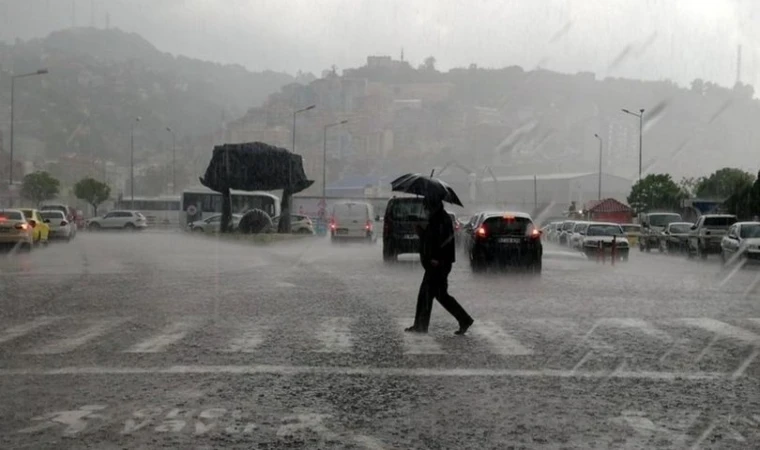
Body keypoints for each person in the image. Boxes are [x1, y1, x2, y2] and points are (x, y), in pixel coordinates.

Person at [405, 196, 474, 335]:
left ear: (433, 205)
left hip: (438, 264)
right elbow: (432, 239)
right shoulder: (437, 218)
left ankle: (421, 325)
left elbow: (442, 242)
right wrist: (421, 232)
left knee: (428, 294)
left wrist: (437, 258)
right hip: (436, 263)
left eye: (426, 206)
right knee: (438, 294)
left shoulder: (441, 219)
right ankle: (463, 319)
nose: (425, 209)